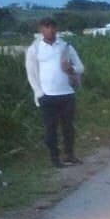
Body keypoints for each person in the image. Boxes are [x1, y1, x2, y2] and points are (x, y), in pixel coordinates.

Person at [25, 18, 84, 168]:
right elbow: (31, 73)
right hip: (47, 96)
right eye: (46, 27)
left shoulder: (66, 47)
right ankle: (55, 158)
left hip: (66, 94)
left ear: (57, 29)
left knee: (68, 127)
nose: (50, 30)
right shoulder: (35, 49)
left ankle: (69, 155)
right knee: (51, 129)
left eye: (53, 27)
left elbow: (80, 67)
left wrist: (71, 69)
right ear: (41, 30)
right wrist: (39, 94)